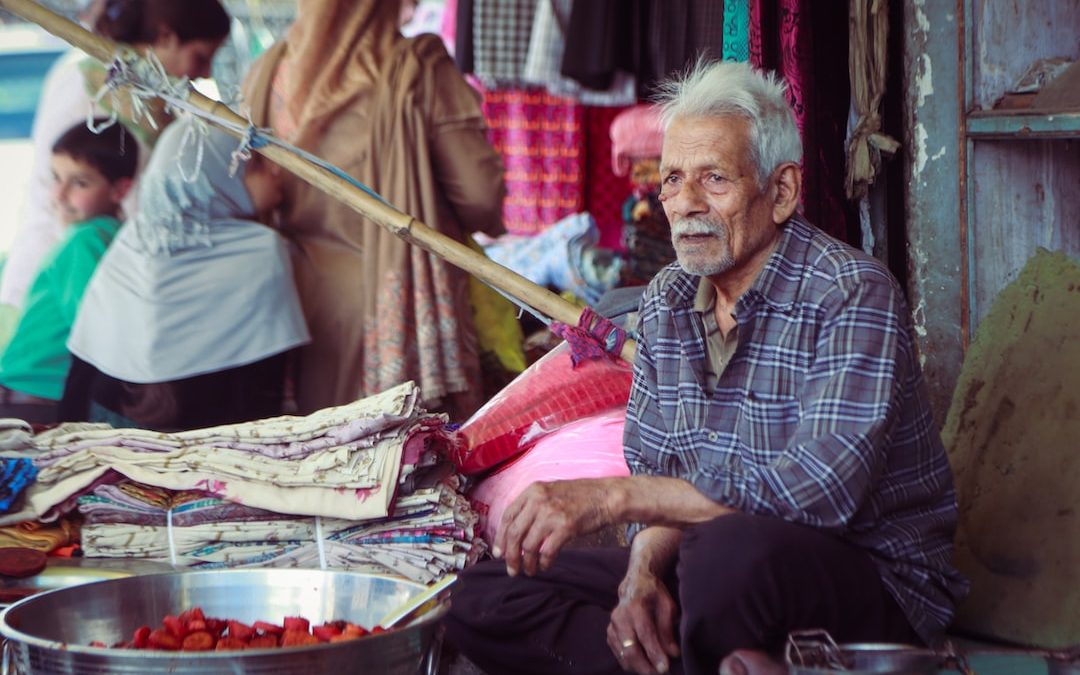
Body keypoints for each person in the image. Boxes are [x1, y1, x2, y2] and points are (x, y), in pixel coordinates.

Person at [444, 60, 967, 675]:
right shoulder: (667, 300)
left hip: (867, 575)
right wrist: (639, 580)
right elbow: (664, 475)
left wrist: (611, 498)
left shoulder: (851, 293)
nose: (685, 205)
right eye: (671, 180)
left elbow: (820, 496)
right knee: (486, 593)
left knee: (725, 558)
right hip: (714, 570)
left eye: (713, 179)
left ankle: (717, 656)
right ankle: (714, 662)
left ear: (781, 191)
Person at [241, 0, 512, 420]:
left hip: (285, 310)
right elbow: (479, 195)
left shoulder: (265, 74)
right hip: (387, 316)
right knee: (397, 468)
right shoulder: (414, 69)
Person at [59, 116, 309, 431]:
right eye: (255, 165)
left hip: (105, 430)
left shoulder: (131, 242)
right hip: (206, 444)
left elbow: (85, 363)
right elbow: (262, 385)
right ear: (215, 177)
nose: (274, 174)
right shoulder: (260, 251)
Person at [0, 0, 230, 341]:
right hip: (57, 295)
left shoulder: (146, 94)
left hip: (95, 282)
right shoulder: (91, 83)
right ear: (165, 36)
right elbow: (68, 193)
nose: (206, 73)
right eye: (200, 56)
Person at [0, 121, 136, 424]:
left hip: (33, 397)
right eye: (56, 177)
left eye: (80, 183)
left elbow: (89, 328)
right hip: (43, 395)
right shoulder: (121, 238)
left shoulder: (84, 239)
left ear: (120, 189)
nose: (59, 194)